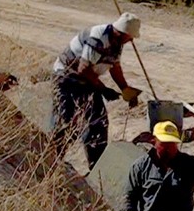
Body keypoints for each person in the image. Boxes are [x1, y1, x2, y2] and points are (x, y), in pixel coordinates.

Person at [50, 12, 141, 170]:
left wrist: (125, 90)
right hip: (66, 79)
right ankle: (50, 161)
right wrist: (104, 89)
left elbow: (115, 68)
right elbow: (83, 70)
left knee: (98, 123)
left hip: (87, 83)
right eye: (130, 37)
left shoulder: (116, 43)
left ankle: (97, 168)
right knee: (65, 122)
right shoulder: (98, 37)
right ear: (123, 33)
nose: (131, 40)